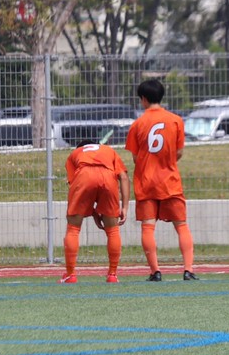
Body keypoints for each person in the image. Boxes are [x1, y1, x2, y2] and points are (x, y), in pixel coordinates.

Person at [126, 78, 197, 282]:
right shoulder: (175, 120)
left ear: (144, 99)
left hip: (146, 182)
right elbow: (179, 152)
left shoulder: (137, 124)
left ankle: (155, 271)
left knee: (148, 227)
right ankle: (188, 270)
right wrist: (167, 162)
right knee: (181, 225)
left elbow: (135, 157)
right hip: (170, 181)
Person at [60, 142, 132, 284]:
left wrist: (92, 212)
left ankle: (70, 275)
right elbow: (123, 177)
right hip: (108, 176)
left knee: (73, 229)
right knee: (113, 230)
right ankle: (112, 274)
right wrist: (125, 207)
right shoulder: (109, 150)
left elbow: (75, 186)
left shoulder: (74, 154)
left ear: (80, 148)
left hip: (84, 175)